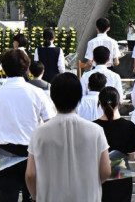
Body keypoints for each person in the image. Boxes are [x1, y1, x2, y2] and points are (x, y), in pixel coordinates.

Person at [26, 73, 111, 202]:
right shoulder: (96, 131)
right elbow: (105, 171)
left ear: (52, 97)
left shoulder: (39, 133)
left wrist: (36, 196)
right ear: (79, 97)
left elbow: (30, 174)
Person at [0, 49, 54, 202]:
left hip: (4, 152)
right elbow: (51, 123)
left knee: (7, 198)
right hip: (32, 152)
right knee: (33, 197)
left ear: (3, 68)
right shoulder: (37, 93)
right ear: (27, 68)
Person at [94, 87, 135, 202]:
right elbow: (132, 154)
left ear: (100, 103)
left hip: (98, 176)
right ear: (119, 104)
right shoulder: (129, 126)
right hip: (122, 175)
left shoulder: (93, 127)